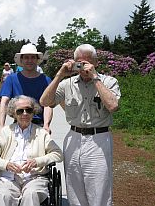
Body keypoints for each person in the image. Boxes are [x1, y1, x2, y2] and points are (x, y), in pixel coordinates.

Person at [40, 44, 121, 206]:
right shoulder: (67, 84)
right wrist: (59, 75)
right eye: (79, 62)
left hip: (99, 139)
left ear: (96, 62)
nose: (83, 66)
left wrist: (95, 78)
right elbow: (45, 101)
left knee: (99, 188)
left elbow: (113, 106)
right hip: (74, 138)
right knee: (74, 187)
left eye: (87, 62)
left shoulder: (109, 81)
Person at [0, 95, 63, 206]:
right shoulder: (5, 132)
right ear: (13, 113)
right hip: (8, 178)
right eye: (20, 111)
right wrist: (6, 164)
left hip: (34, 177)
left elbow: (58, 154)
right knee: (3, 195)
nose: (25, 113)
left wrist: (37, 161)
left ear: (33, 112)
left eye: (28, 110)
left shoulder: (41, 133)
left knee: (31, 194)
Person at [0, 43, 53, 132]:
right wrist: (1, 125)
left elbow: (48, 105)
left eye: (32, 57)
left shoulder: (46, 80)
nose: (29, 60)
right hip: (18, 123)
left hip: (39, 125)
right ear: (22, 60)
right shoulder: (11, 79)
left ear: (37, 59)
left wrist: (46, 125)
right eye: (26, 57)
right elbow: (4, 102)